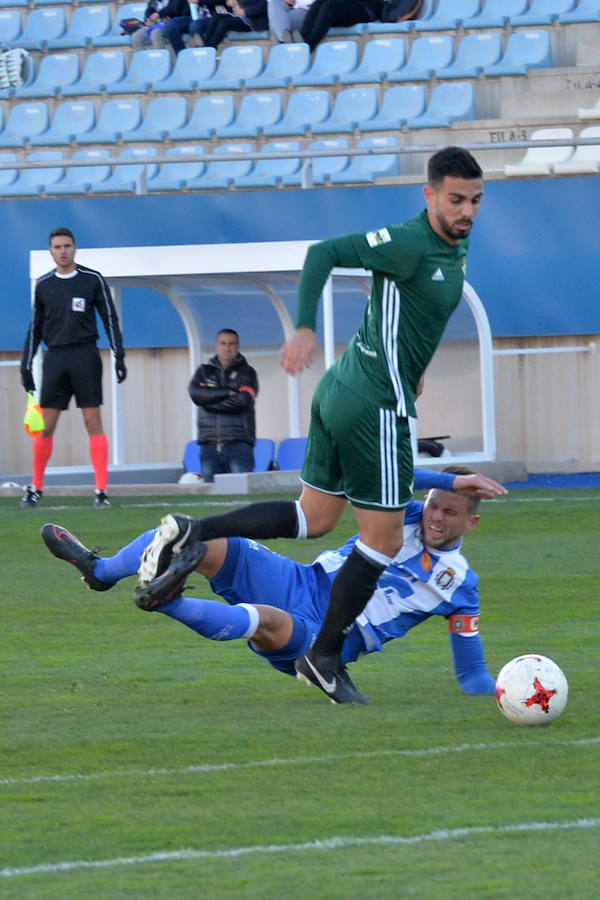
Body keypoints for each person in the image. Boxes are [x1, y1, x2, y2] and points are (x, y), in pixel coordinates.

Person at [141, 146, 497, 705]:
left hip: (346, 390)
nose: (467, 210)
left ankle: (194, 532)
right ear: (428, 196)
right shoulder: (409, 242)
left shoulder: (455, 245)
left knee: (314, 518)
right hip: (374, 403)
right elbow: (324, 252)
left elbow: (415, 318)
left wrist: (416, 369)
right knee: (379, 542)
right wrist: (303, 328)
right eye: (455, 199)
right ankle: (325, 656)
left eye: (475, 200)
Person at [40, 467, 501, 703]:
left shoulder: (462, 586)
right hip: (303, 581)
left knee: (268, 622)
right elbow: (382, 474)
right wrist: (453, 480)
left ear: (473, 523)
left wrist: (511, 689)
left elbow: (472, 675)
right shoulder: (404, 511)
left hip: (330, 639)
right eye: (435, 505)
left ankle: (163, 600)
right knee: (205, 536)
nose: (437, 517)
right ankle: (99, 573)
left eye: (450, 512)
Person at [20, 227, 126, 509]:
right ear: (51, 251)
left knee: (92, 421)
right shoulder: (43, 285)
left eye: (67, 246)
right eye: (57, 247)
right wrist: (26, 364)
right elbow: (36, 328)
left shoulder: (92, 280)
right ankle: (36, 487)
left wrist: (119, 355)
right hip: (55, 359)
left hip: (85, 356)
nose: (63, 251)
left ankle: (101, 490)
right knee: (46, 426)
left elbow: (109, 319)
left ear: (75, 248)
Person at [188, 328, 259, 483]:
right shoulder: (204, 371)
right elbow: (195, 393)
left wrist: (208, 402)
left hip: (238, 443)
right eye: (223, 343)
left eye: (231, 344)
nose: (227, 348)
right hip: (209, 444)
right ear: (217, 345)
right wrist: (227, 392)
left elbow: (243, 400)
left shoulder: (247, 372)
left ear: (238, 346)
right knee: (211, 494)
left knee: (241, 492)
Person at [295, 0, 383, 52]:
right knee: (319, 2)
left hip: (367, 9)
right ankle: (302, 39)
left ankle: (310, 45)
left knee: (331, 6)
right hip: (345, 7)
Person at [201, 0, 268, 50]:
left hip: (253, 22)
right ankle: (206, 49)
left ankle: (211, 50)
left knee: (225, 23)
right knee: (217, 17)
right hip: (241, 17)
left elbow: (263, 7)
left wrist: (245, 11)